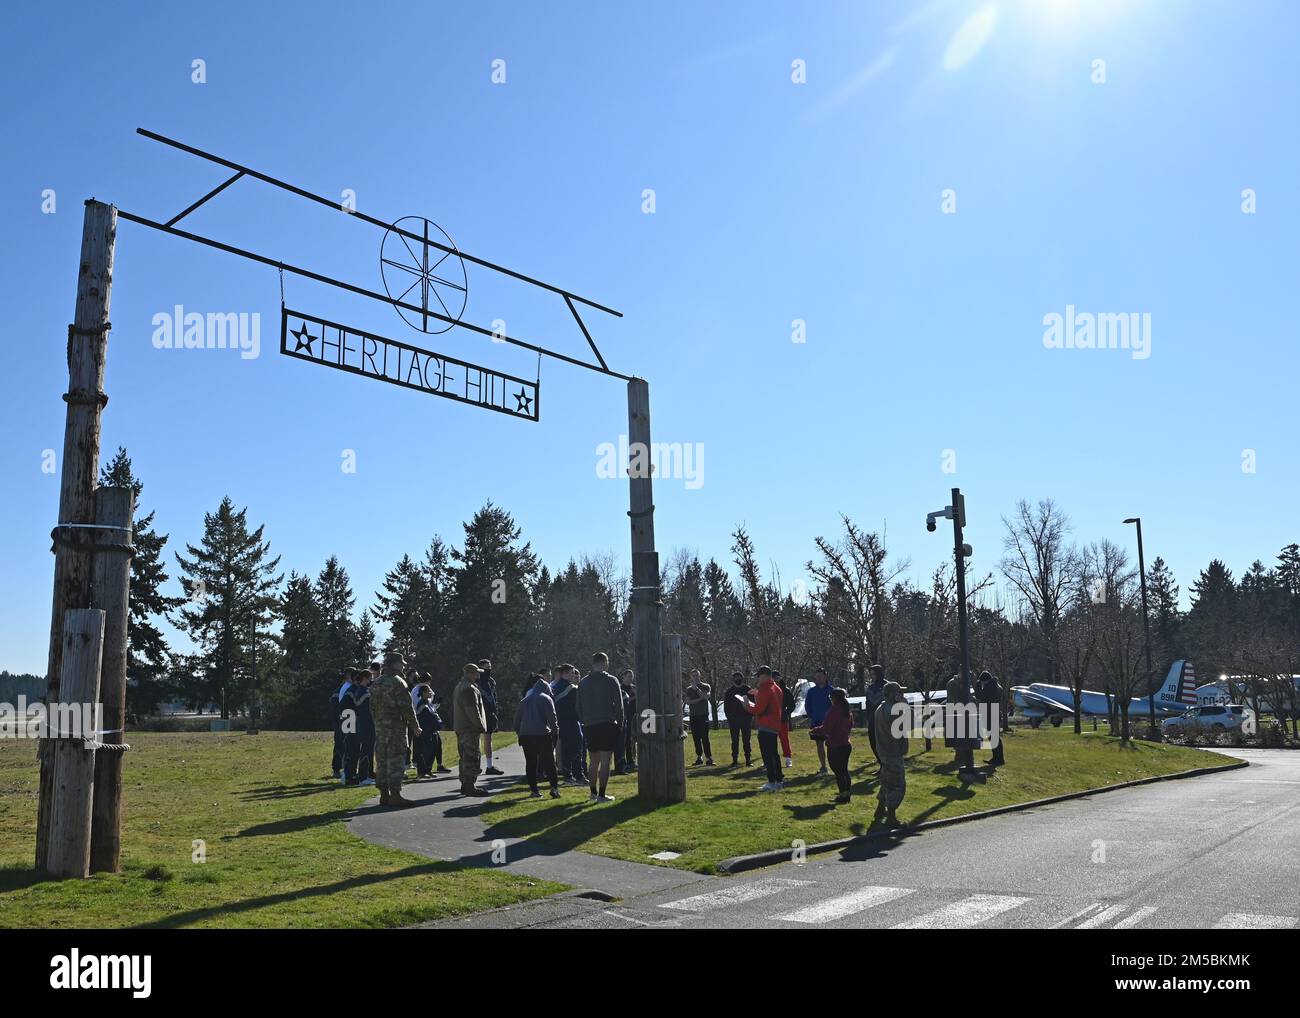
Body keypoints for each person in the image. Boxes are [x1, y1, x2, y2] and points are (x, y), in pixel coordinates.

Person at [368, 652, 422, 808]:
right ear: (394, 664)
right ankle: (396, 795)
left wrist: (378, 722)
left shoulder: (376, 683)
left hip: (380, 729)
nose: (403, 666)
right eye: (401, 663)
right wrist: (415, 725)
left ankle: (384, 795)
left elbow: (371, 708)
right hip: (396, 729)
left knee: (382, 761)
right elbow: (407, 707)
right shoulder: (399, 682)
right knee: (396, 760)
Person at [577, 652, 624, 802]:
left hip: (590, 725)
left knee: (593, 760)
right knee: (605, 760)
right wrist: (620, 723)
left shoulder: (583, 682)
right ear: (604, 662)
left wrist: (584, 721)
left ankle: (592, 793)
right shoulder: (611, 680)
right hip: (607, 723)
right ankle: (602, 795)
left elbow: (577, 707)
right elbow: (619, 705)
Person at [514, 672, 561, 799]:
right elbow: (552, 718)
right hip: (542, 734)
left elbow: (516, 721)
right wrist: (555, 733)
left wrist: (520, 733)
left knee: (531, 763)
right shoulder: (546, 698)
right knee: (549, 762)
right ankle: (554, 788)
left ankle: (534, 791)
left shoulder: (524, 701)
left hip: (526, 736)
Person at [744, 666, 784, 791]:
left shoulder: (765, 688)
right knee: (774, 754)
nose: (758, 678)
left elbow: (759, 709)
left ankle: (772, 782)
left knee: (768, 755)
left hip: (766, 725)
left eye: (759, 676)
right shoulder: (776, 688)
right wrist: (757, 695)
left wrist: (746, 706)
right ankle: (779, 781)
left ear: (765, 676)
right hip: (775, 724)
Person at [873, 681, 908, 827]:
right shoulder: (895, 710)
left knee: (887, 781)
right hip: (893, 751)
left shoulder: (880, 708)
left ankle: (880, 809)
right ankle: (891, 817)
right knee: (898, 784)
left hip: (882, 751)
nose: (902, 695)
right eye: (899, 692)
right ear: (894, 695)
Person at [811, 687, 854, 803]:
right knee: (844, 771)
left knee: (838, 772)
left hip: (835, 746)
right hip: (846, 744)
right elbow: (850, 727)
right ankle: (847, 794)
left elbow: (826, 728)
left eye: (831, 697)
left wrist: (814, 730)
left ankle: (843, 795)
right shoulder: (847, 711)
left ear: (834, 698)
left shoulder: (834, 710)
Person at [454, 663, 489, 797]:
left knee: (464, 757)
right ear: (470, 673)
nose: (478, 675)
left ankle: (465, 784)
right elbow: (472, 709)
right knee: (471, 757)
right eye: (476, 673)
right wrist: (480, 726)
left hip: (462, 727)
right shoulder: (469, 688)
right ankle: (470, 786)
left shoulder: (459, 686)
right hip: (470, 729)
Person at [551, 664, 586, 785]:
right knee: (577, 748)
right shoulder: (572, 688)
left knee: (565, 750)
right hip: (572, 722)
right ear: (564, 674)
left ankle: (567, 776)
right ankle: (579, 776)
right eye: (571, 673)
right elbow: (578, 707)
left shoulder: (553, 687)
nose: (573, 675)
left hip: (560, 722)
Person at [413, 684, 447, 776]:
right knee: (425, 752)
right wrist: (437, 723)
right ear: (423, 693)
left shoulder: (428, 702)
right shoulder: (422, 704)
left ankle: (428, 770)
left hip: (432, 730)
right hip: (426, 731)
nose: (430, 693)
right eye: (428, 691)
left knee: (433, 750)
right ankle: (422, 772)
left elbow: (434, 713)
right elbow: (429, 716)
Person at [804, 669, 834, 775]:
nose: (819, 678)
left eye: (821, 676)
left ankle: (834, 766)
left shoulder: (831, 690)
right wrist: (812, 715)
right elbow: (807, 705)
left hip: (830, 722)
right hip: (816, 721)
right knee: (819, 745)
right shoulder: (811, 692)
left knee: (831, 745)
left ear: (825, 677)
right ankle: (823, 766)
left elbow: (835, 707)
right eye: (817, 676)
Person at [476, 658, 503, 776]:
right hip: (479, 713)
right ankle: (475, 766)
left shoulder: (491, 681)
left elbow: (494, 698)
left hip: (490, 714)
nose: (488, 670)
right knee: (476, 741)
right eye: (486, 668)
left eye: (489, 667)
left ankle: (489, 766)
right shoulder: (476, 681)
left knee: (488, 739)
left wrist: (495, 713)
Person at [684, 669, 714, 766]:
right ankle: (699, 757)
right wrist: (700, 698)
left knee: (705, 737)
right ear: (691, 677)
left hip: (703, 715)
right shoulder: (689, 689)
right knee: (696, 737)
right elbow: (688, 702)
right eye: (693, 676)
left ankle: (709, 758)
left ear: (699, 676)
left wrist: (697, 690)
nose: (695, 677)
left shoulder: (705, 686)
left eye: (697, 675)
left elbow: (706, 697)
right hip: (693, 716)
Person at [976, 669, 1005, 766]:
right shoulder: (997, 685)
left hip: (990, 714)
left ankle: (997, 759)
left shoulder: (989, 686)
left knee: (993, 737)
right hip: (995, 712)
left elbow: (979, 695)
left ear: (985, 680)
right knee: (995, 737)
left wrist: (977, 686)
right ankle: (998, 758)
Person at [723, 671, 753, 766]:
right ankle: (734, 760)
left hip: (746, 719)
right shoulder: (729, 691)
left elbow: (752, 704)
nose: (737, 679)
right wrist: (729, 718)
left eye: (739, 677)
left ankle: (748, 760)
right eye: (735, 678)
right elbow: (726, 707)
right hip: (734, 720)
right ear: (733, 679)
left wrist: (750, 716)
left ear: (742, 678)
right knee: (734, 740)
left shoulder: (748, 689)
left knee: (746, 740)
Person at [354, 668, 376, 786]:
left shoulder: (362, 691)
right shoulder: (363, 692)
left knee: (368, 750)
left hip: (366, 723)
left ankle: (365, 775)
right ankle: (362, 777)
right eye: (370, 678)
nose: (371, 681)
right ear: (365, 678)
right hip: (366, 723)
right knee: (366, 750)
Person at [863, 664, 887, 760]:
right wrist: (868, 717)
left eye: (874, 674)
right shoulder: (870, 688)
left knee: (884, 744)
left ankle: (887, 767)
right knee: (873, 743)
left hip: (884, 720)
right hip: (873, 720)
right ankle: (881, 764)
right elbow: (868, 703)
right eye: (871, 674)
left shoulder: (887, 686)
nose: (872, 676)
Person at [330, 668, 350, 778]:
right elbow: (335, 709)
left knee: (347, 745)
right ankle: (336, 769)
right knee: (339, 745)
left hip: (346, 721)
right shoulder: (338, 692)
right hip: (340, 721)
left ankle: (344, 767)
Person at [774, 670, 795, 768]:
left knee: (784, 739)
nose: (775, 680)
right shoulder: (769, 690)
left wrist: (785, 713)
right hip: (771, 720)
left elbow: (792, 705)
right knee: (771, 740)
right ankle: (771, 759)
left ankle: (788, 759)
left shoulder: (785, 690)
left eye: (776, 677)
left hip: (782, 720)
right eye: (773, 678)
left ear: (780, 678)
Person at [618, 669, 637, 772]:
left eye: (632, 676)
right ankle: (627, 761)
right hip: (626, 716)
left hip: (636, 715)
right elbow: (623, 701)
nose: (631, 678)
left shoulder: (634, 688)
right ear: (624, 677)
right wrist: (634, 697)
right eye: (629, 676)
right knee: (627, 739)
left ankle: (634, 759)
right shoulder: (620, 688)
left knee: (635, 739)